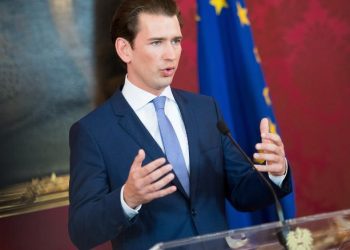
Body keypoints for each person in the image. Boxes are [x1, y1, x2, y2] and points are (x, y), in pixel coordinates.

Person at [68, 0, 292, 249]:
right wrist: (127, 198)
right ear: (124, 49)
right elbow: (82, 231)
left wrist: (275, 172)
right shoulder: (93, 131)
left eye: (175, 41)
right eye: (157, 42)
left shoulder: (205, 110)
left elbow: (242, 192)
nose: (171, 54)